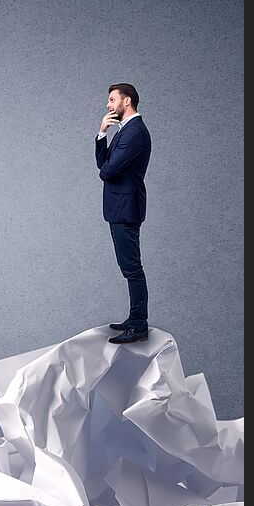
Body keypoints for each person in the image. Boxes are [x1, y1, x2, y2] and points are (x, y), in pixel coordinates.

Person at [95, 83, 152, 344]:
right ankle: (135, 317)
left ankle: (139, 324)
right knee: (128, 267)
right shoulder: (124, 130)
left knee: (132, 268)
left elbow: (107, 171)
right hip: (120, 207)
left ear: (126, 101)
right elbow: (103, 164)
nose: (108, 105)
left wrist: (106, 167)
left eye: (112, 99)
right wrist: (102, 133)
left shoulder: (135, 133)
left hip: (126, 208)